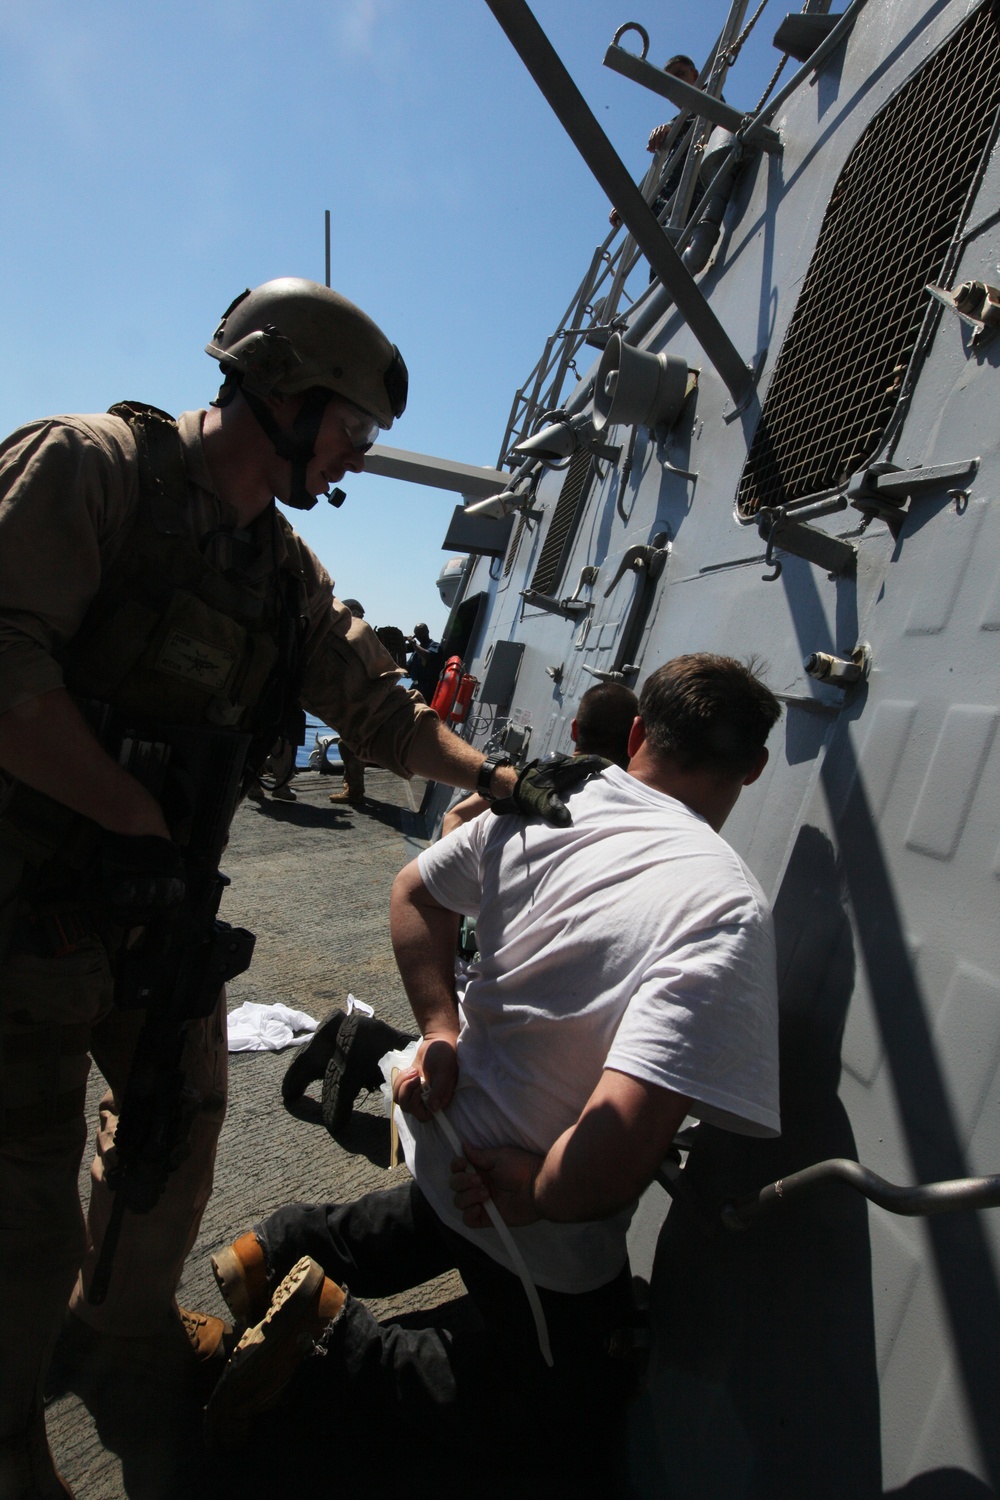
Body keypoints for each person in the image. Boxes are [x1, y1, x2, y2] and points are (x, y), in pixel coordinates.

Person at [0, 276, 564, 1498]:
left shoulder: (278, 568)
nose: (356, 453)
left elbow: (376, 712)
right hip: (26, 908)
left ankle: (123, 1337)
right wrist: (130, 810)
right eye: (349, 427)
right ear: (282, 392)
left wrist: (499, 779)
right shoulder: (89, 471)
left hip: (151, 917)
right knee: (26, 1208)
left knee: (175, 1133)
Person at [204, 654, 783, 1483]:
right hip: (525, 1211)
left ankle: (276, 1248)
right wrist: (538, 1188)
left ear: (637, 734)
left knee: (431, 1212)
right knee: (570, 1403)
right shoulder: (726, 906)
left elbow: (414, 891)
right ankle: (332, 1342)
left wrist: (440, 1031)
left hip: (440, 1121)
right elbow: (617, 1149)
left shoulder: (556, 805)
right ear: (754, 768)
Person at [441, 679, 639, 835]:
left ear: (574, 730)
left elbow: (455, 815)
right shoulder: (638, 811)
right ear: (636, 739)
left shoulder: (525, 780)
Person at [609, 53, 700, 229]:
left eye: (680, 74)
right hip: (667, 213)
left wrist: (672, 126)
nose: (676, 83)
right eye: (669, 81)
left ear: (695, 76)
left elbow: (709, 119)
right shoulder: (678, 126)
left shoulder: (710, 106)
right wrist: (629, 203)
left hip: (690, 209)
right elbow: (660, 175)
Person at [327, 598, 369, 807]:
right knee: (351, 743)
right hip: (356, 697)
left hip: (356, 698)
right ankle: (354, 788)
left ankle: (354, 790)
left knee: (349, 744)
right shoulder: (364, 634)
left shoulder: (356, 634)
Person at [405, 623, 442, 702]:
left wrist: (413, 643)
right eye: (417, 634)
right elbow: (407, 668)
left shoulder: (435, 646)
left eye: (421, 633)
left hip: (428, 689)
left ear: (427, 632)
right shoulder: (416, 650)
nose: (419, 636)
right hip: (416, 686)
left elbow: (426, 656)